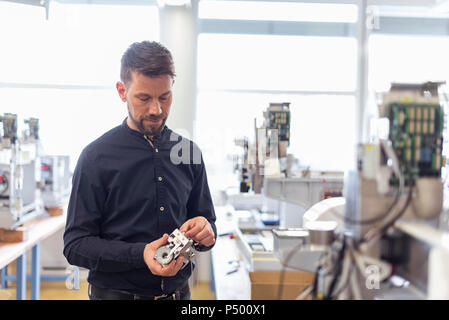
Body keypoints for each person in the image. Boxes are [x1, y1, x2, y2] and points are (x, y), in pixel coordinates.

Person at [63, 41, 217, 300]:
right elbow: (76, 245)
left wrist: (206, 232)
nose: (156, 110)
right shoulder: (95, 157)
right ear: (122, 91)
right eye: (144, 98)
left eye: (164, 97)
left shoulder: (189, 153)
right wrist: (140, 254)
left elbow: (207, 224)